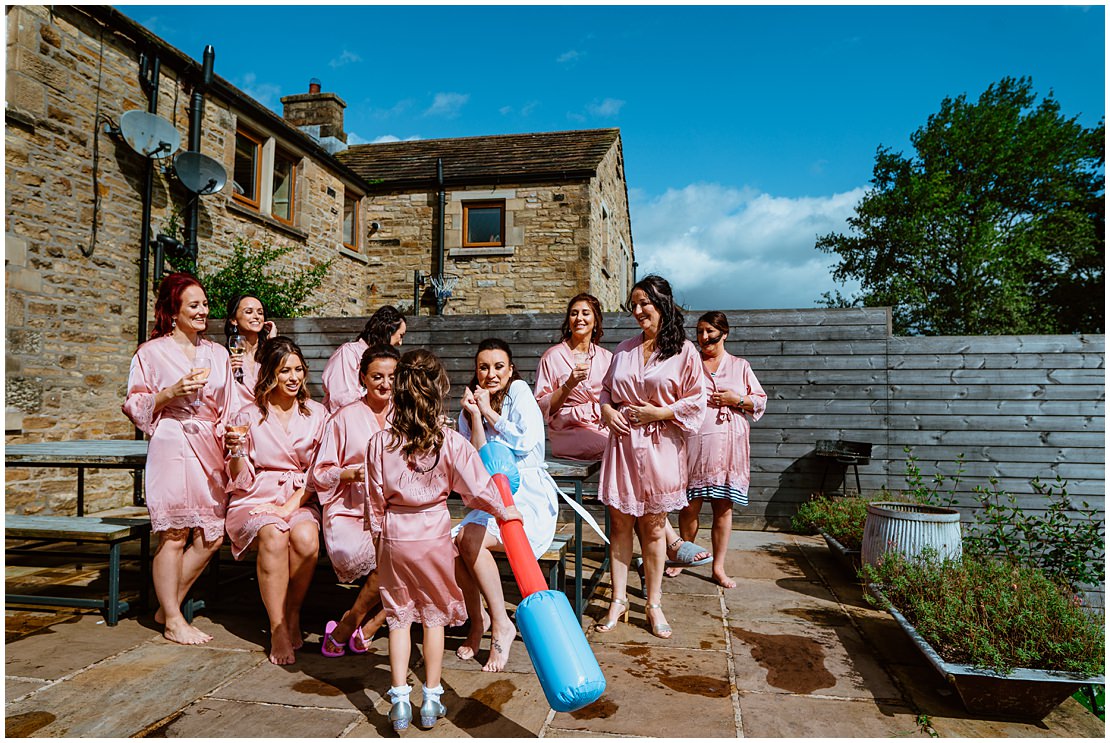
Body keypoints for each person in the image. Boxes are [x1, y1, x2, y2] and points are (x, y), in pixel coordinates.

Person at [364, 349, 523, 731]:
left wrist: (378, 541)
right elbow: (478, 487)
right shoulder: (449, 442)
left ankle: (399, 701)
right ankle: (431, 700)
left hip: (395, 537)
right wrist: (506, 512)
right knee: (433, 620)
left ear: (398, 394)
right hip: (433, 535)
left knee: (399, 620)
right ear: (438, 393)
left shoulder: (379, 443)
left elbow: (373, 501)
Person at [122, 272, 232, 645]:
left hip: (209, 442)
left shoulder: (217, 353)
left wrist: (235, 433)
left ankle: (166, 605)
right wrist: (170, 392)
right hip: (171, 440)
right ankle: (172, 618)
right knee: (173, 533)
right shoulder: (150, 352)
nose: (203, 311)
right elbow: (135, 403)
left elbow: (232, 404)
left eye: (205, 304)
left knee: (211, 535)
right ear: (175, 310)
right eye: (194, 305)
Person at [595, 274, 706, 639]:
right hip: (623, 446)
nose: (638, 310)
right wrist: (608, 412)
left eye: (645, 303)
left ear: (662, 305)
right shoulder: (623, 349)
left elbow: (697, 401)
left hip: (660, 448)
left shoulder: (684, 352)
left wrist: (659, 413)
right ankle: (619, 600)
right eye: (634, 304)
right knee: (620, 527)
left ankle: (654, 603)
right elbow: (605, 393)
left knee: (654, 530)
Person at [454, 338, 562, 672]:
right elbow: (476, 460)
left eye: (498, 366)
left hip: (527, 496)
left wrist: (488, 412)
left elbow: (525, 440)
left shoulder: (519, 392)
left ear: (511, 369)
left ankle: (501, 622)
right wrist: (474, 417)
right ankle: (479, 620)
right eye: (483, 367)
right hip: (491, 495)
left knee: (469, 540)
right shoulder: (470, 406)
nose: (491, 374)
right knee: (453, 545)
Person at [225, 337, 328, 665]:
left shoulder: (317, 414)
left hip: (300, 495)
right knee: (273, 534)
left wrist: (291, 504)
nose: (294, 377)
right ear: (270, 373)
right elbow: (240, 480)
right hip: (255, 497)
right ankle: (278, 627)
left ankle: (293, 612)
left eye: (298, 370)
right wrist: (237, 451)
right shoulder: (248, 414)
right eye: (285, 371)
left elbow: (319, 470)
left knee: (306, 537)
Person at [310, 345, 399, 657]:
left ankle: (358, 623)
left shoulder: (406, 414)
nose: (385, 383)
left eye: (392, 376)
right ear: (363, 377)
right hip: (350, 510)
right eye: (377, 376)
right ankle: (360, 625)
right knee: (395, 555)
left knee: (422, 551)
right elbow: (320, 474)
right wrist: (351, 475)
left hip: (396, 510)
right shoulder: (343, 418)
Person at [679, 311, 766, 588]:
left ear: (724, 334)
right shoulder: (690, 364)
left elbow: (760, 401)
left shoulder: (741, 366)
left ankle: (718, 567)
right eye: (700, 332)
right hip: (694, 444)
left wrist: (736, 398)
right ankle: (684, 558)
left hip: (730, 447)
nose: (704, 338)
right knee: (690, 505)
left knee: (723, 507)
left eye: (710, 332)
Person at [533, 293, 614, 461]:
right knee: (619, 447)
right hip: (568, 432)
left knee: (634, 443)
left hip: (603, 427)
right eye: (574, 313)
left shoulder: (608, 358)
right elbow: (542, 406)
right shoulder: (552, 357)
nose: (579, 318)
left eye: (585, 313)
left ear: (596, 320)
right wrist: (569, 384)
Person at [322, 305, 406, 412]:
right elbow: (342, 399)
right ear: (387, 331)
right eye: (401, 335)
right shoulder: (349, 353)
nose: (400, 343)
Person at [224, 294, 277, 412]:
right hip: (238, 421)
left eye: (260, 312)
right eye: (249, 312)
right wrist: (227, 375)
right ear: (234, 320)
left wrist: (273, 343)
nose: (256, 316)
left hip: (268, 419)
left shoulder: (270, 352)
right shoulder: (224, 356)